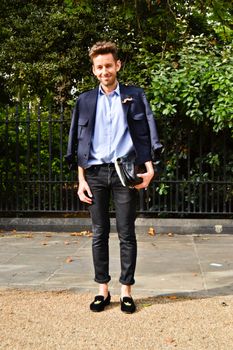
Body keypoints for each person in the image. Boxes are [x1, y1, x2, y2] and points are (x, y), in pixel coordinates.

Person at [65, 41, 162, 313]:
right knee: (99, 233)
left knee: (127, 233)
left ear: (117, 65)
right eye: (99, 67)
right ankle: (103, 291)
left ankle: (127, 291)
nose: (104, 71)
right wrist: (81, 179)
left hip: (124, 173)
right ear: (94, 70)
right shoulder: (84, 100)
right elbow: (79, 143)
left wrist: (149, 166)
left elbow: (145, 133)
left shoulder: (135, 95)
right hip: (94, 174)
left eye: (109, 65)